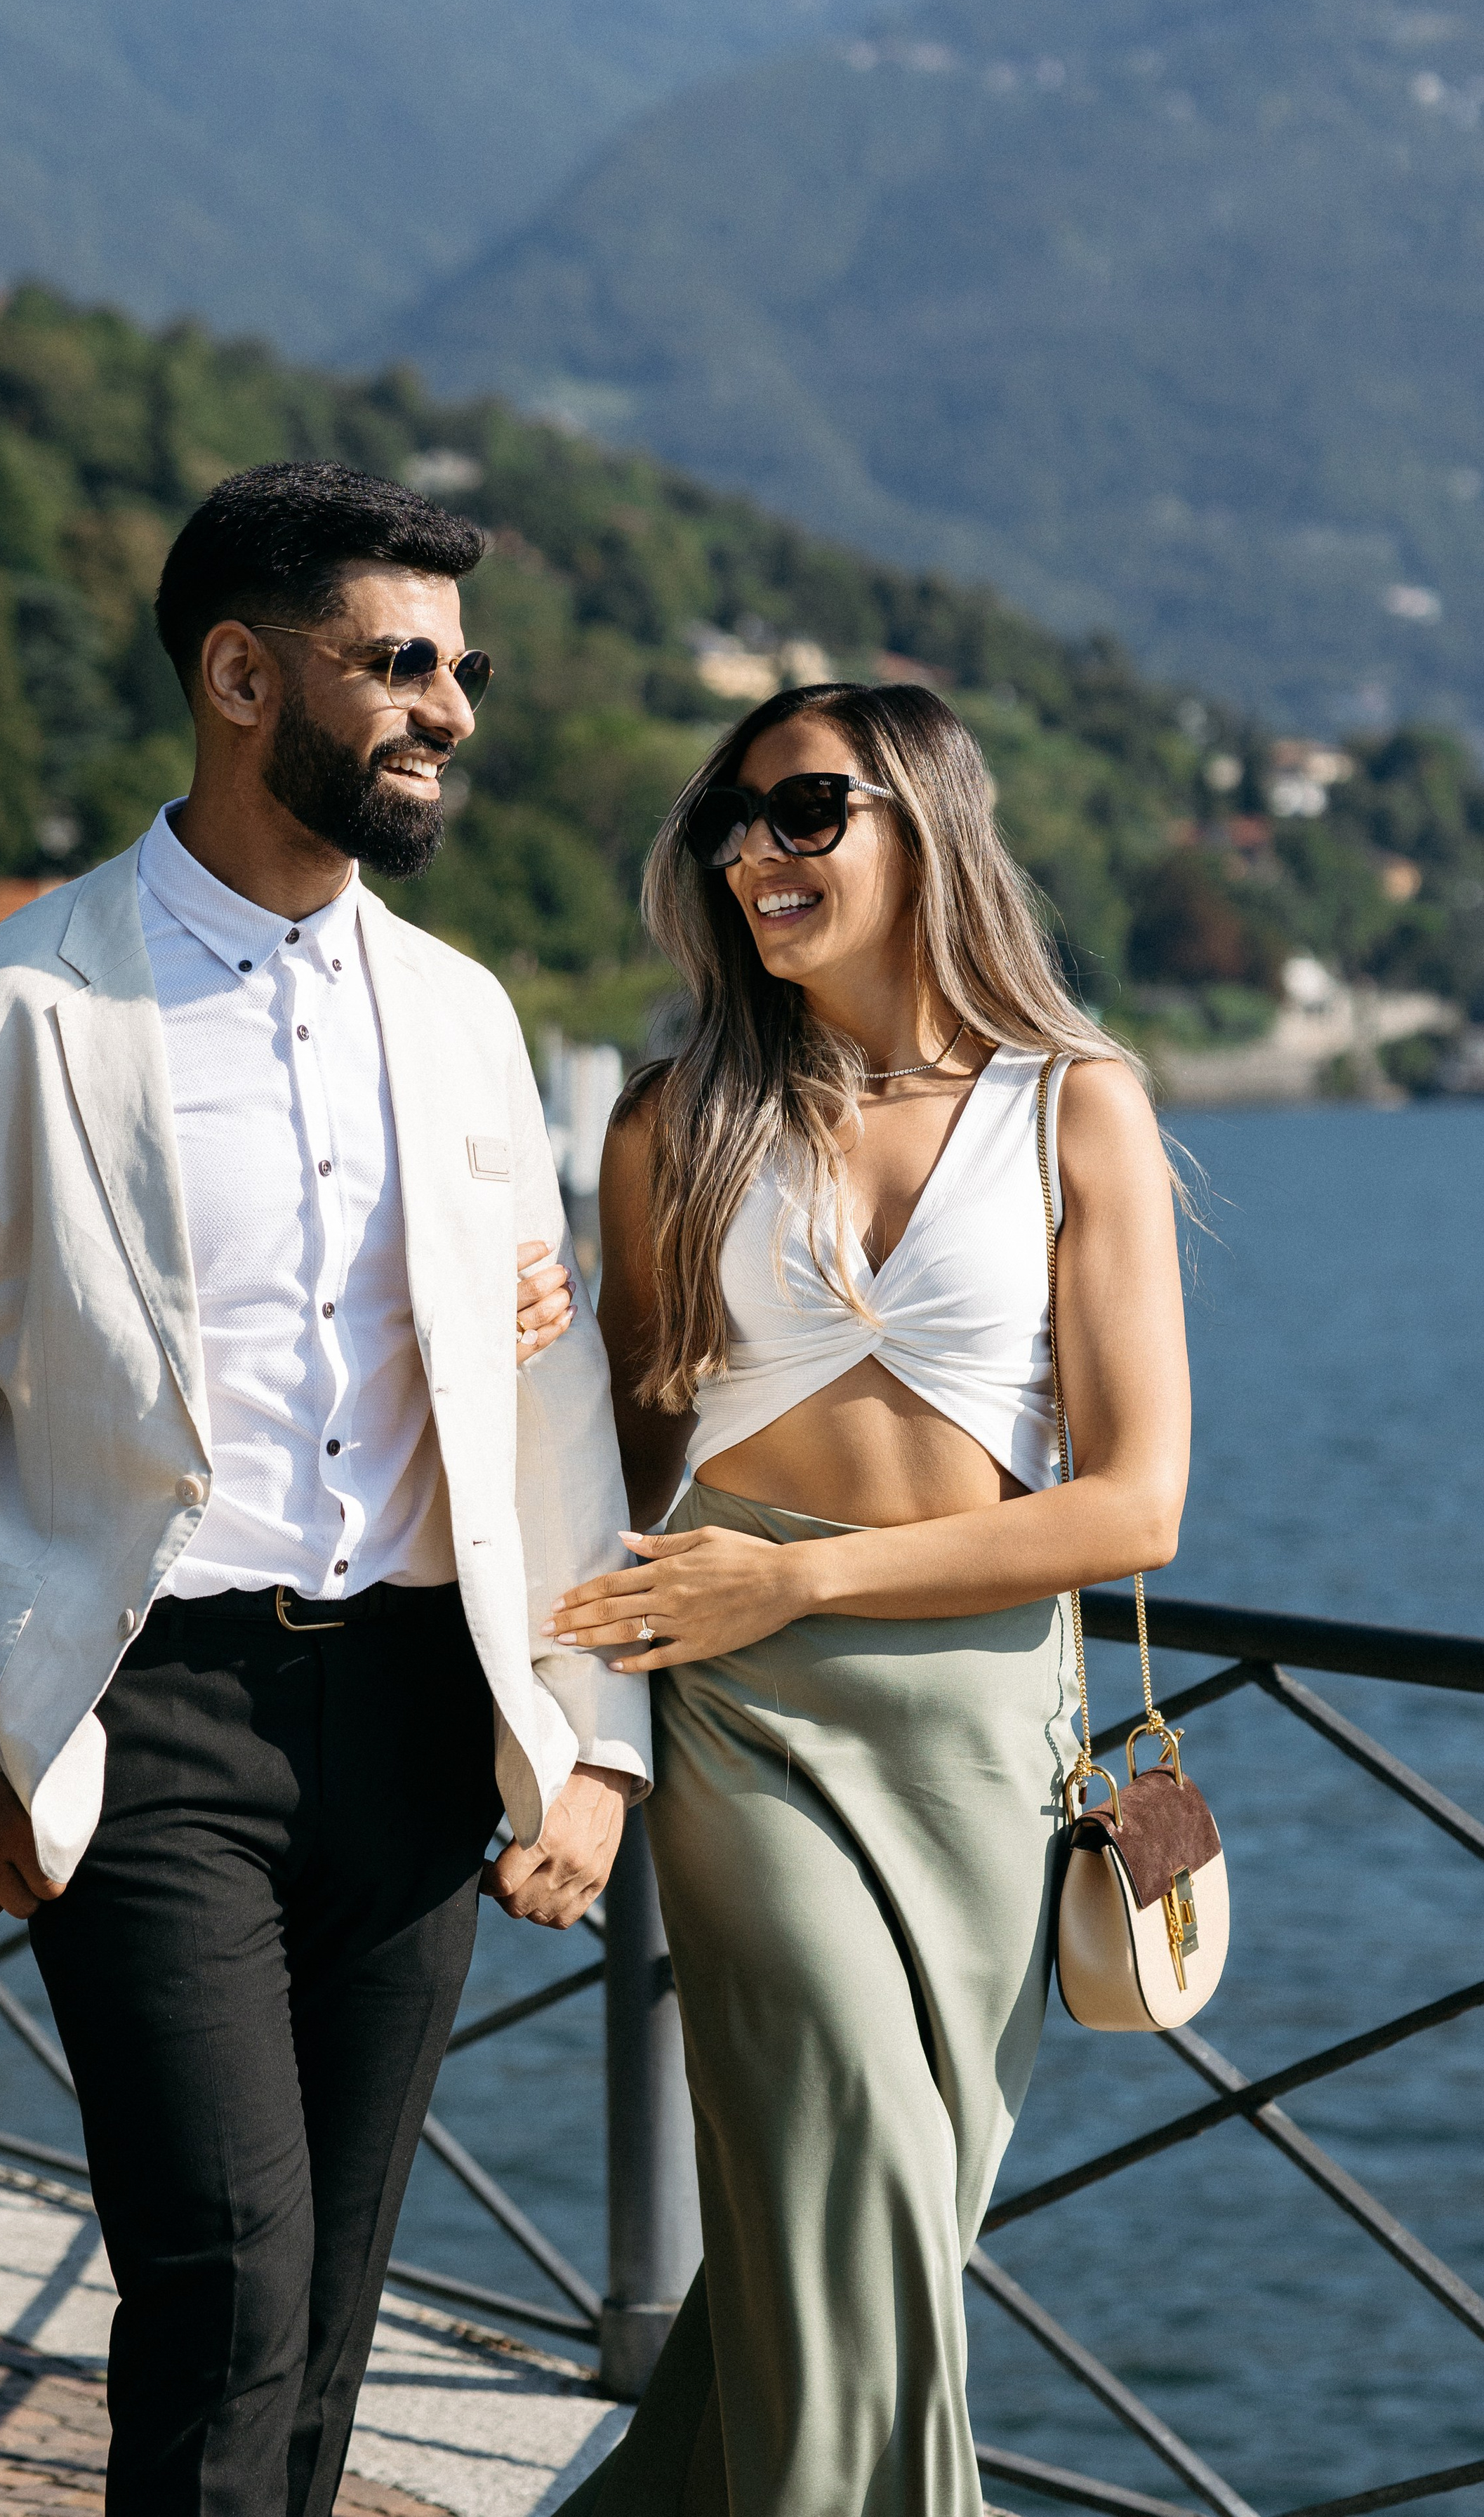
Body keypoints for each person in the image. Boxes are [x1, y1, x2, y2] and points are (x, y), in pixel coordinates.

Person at [0, 459, 651, 2517]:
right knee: (229, 2281)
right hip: (143, 1720)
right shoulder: (7, 1012)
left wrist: (595, 1739)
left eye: (464, 666)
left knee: (332, 2301)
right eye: (400, 663)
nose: (449, 707)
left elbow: (540, 1400)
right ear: (241, 673)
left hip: (424, 1720)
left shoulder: (463, 1020)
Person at [548, 683, 1191, 2516]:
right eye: (727, 826)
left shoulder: (1082, 1108)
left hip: (985, 1743)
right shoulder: (676, 1124)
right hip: (749, 1728)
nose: (756, 851)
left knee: (844, 2263)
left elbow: (1137, 1502)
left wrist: (797, 1575)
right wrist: (570, 1746)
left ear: (930, 825)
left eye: (806, 810)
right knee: (858, 2222)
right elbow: (605, 1466)